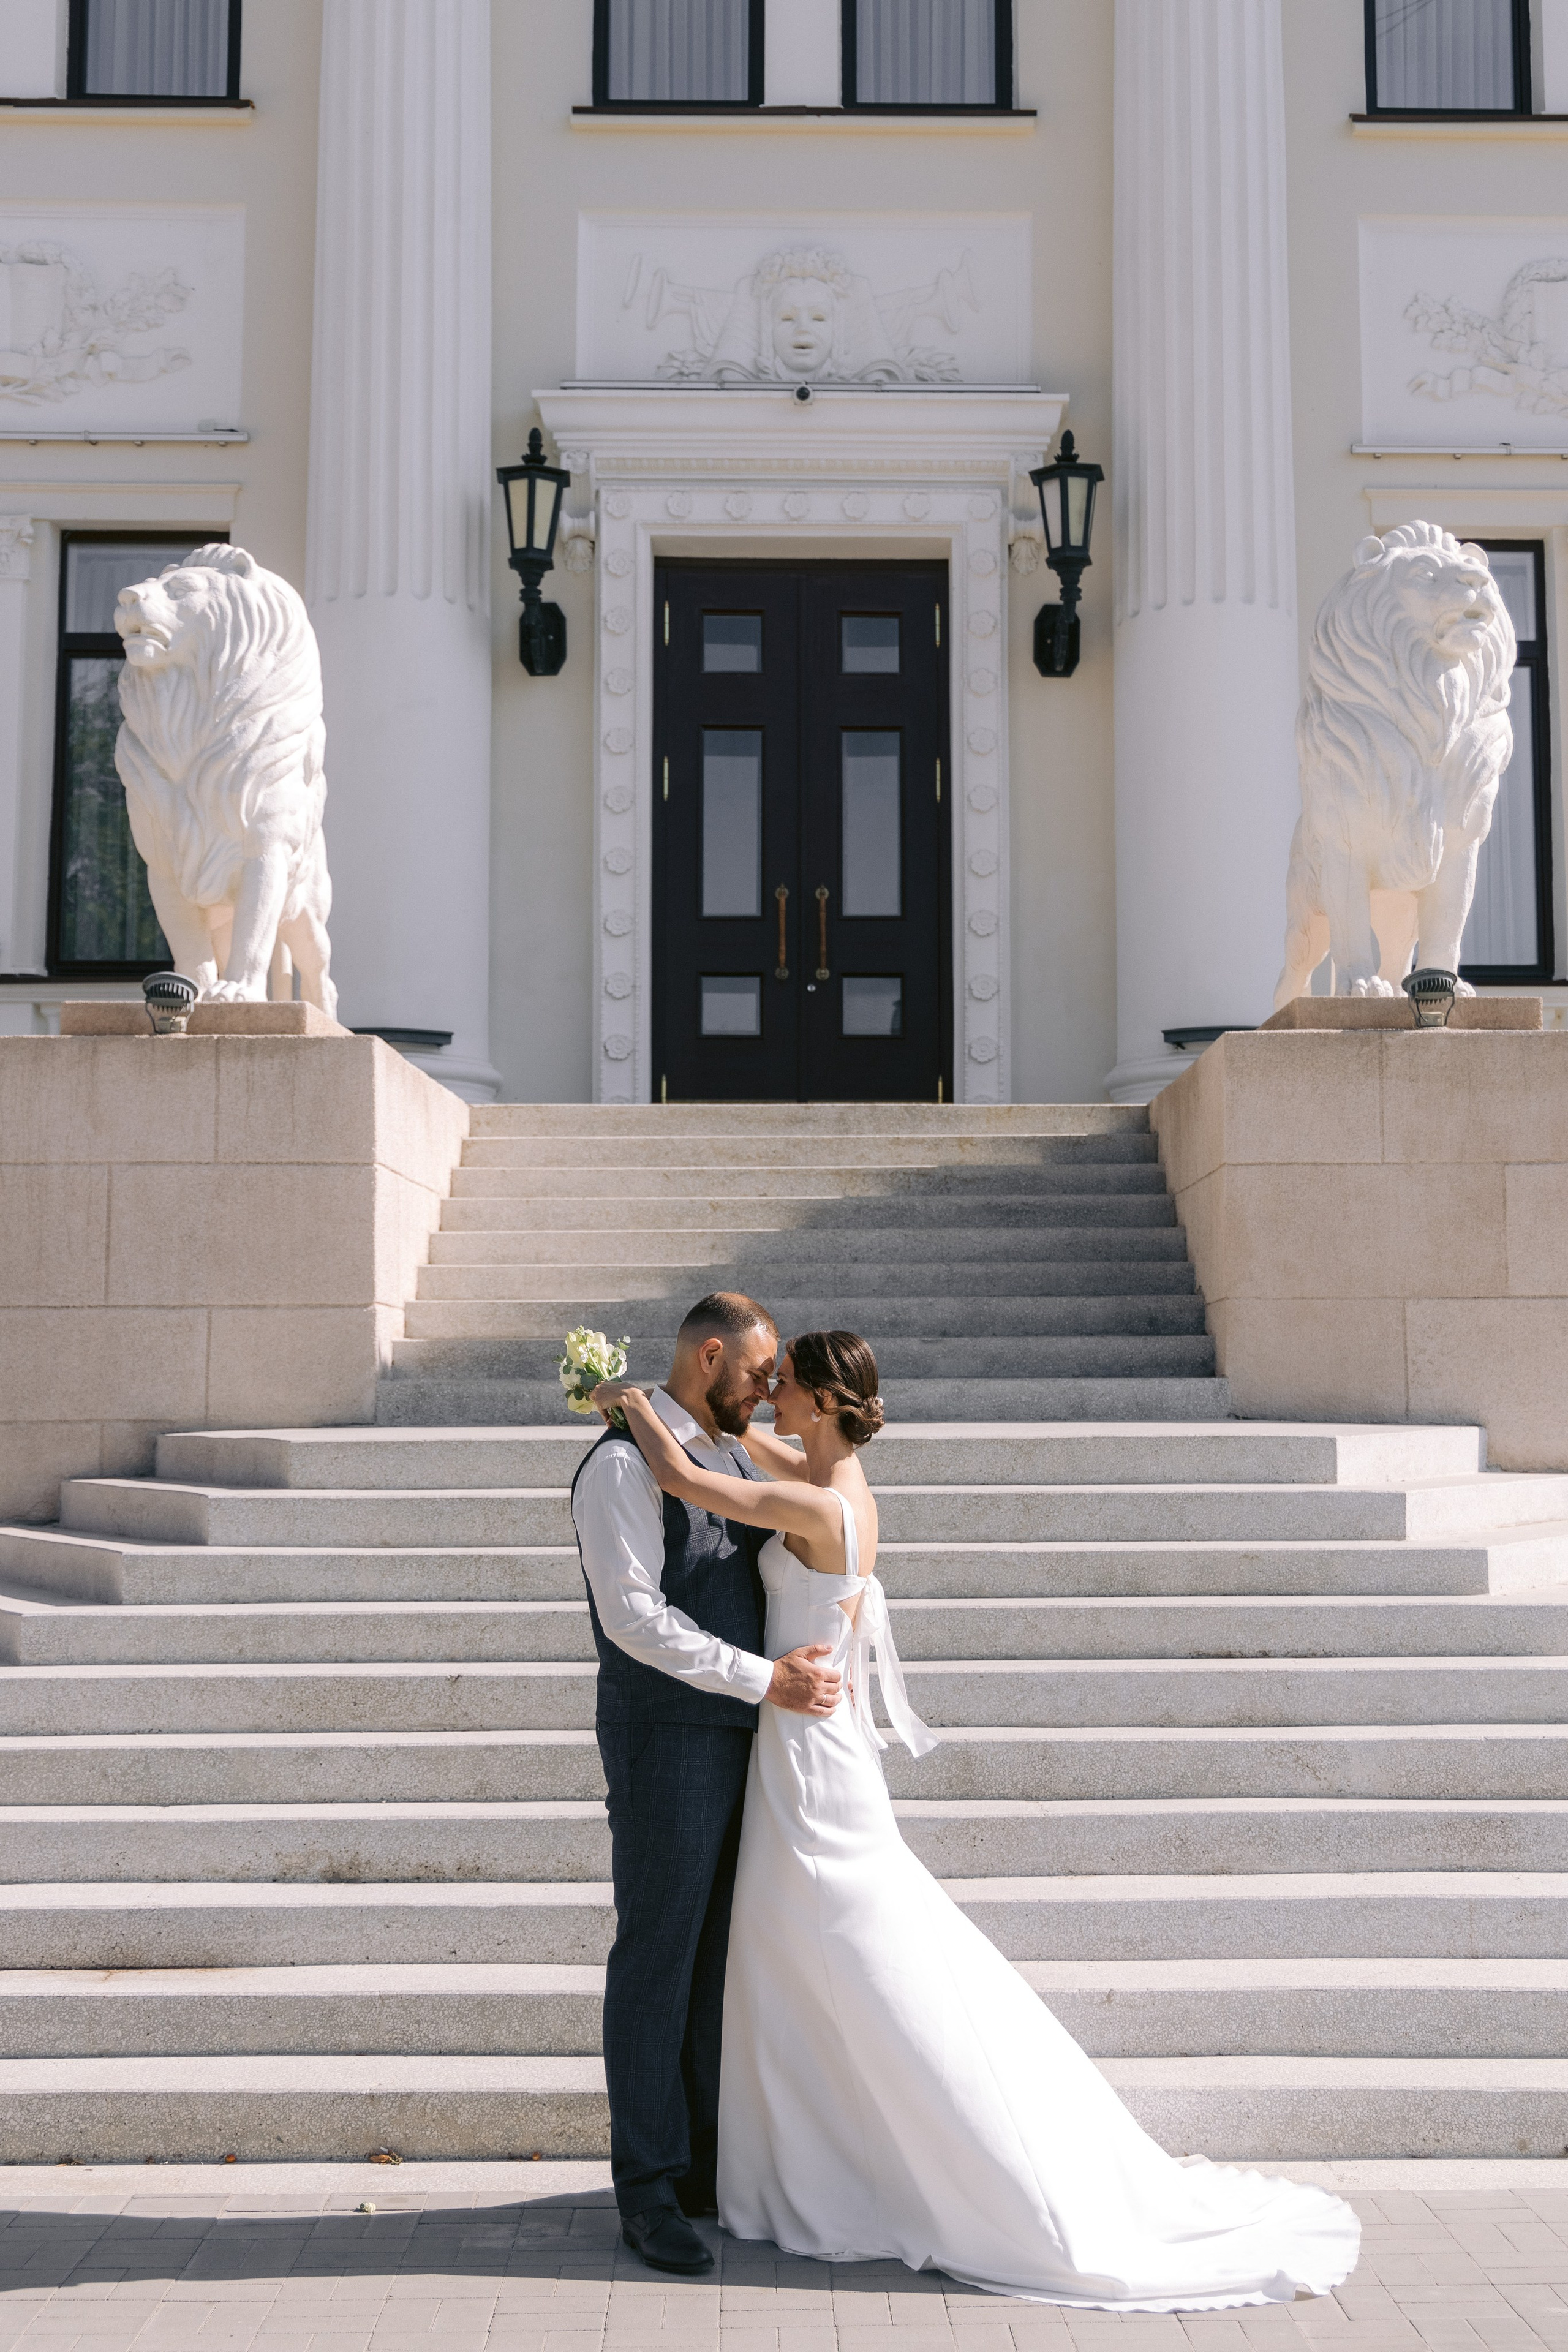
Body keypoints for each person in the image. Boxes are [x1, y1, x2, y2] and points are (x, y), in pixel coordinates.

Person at [590, 1330, 1362, 2312]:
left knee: (848, 1941)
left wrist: (621, 1399)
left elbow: (688, 1478)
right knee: (795, 1951)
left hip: (806, 1746)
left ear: (822, 1403)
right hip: (793, 1742)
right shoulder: (828, 1477)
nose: (769, 1393)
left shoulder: (818, 1501)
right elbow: (734, 1457)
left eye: (784, 1383)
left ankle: (939, 2155)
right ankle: (815, 2149)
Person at [569, 1289, 843, 2282]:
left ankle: (696, 2169)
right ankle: (647, 2191)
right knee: (658, 1956)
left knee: (715, 1957)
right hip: (667, 1737)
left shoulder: (721, 1452)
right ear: (713, 1357)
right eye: (761, 1373)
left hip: (742, 1738)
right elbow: (636, 1620)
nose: (770, 1390)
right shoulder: (614, 1467)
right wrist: (765, 1678)